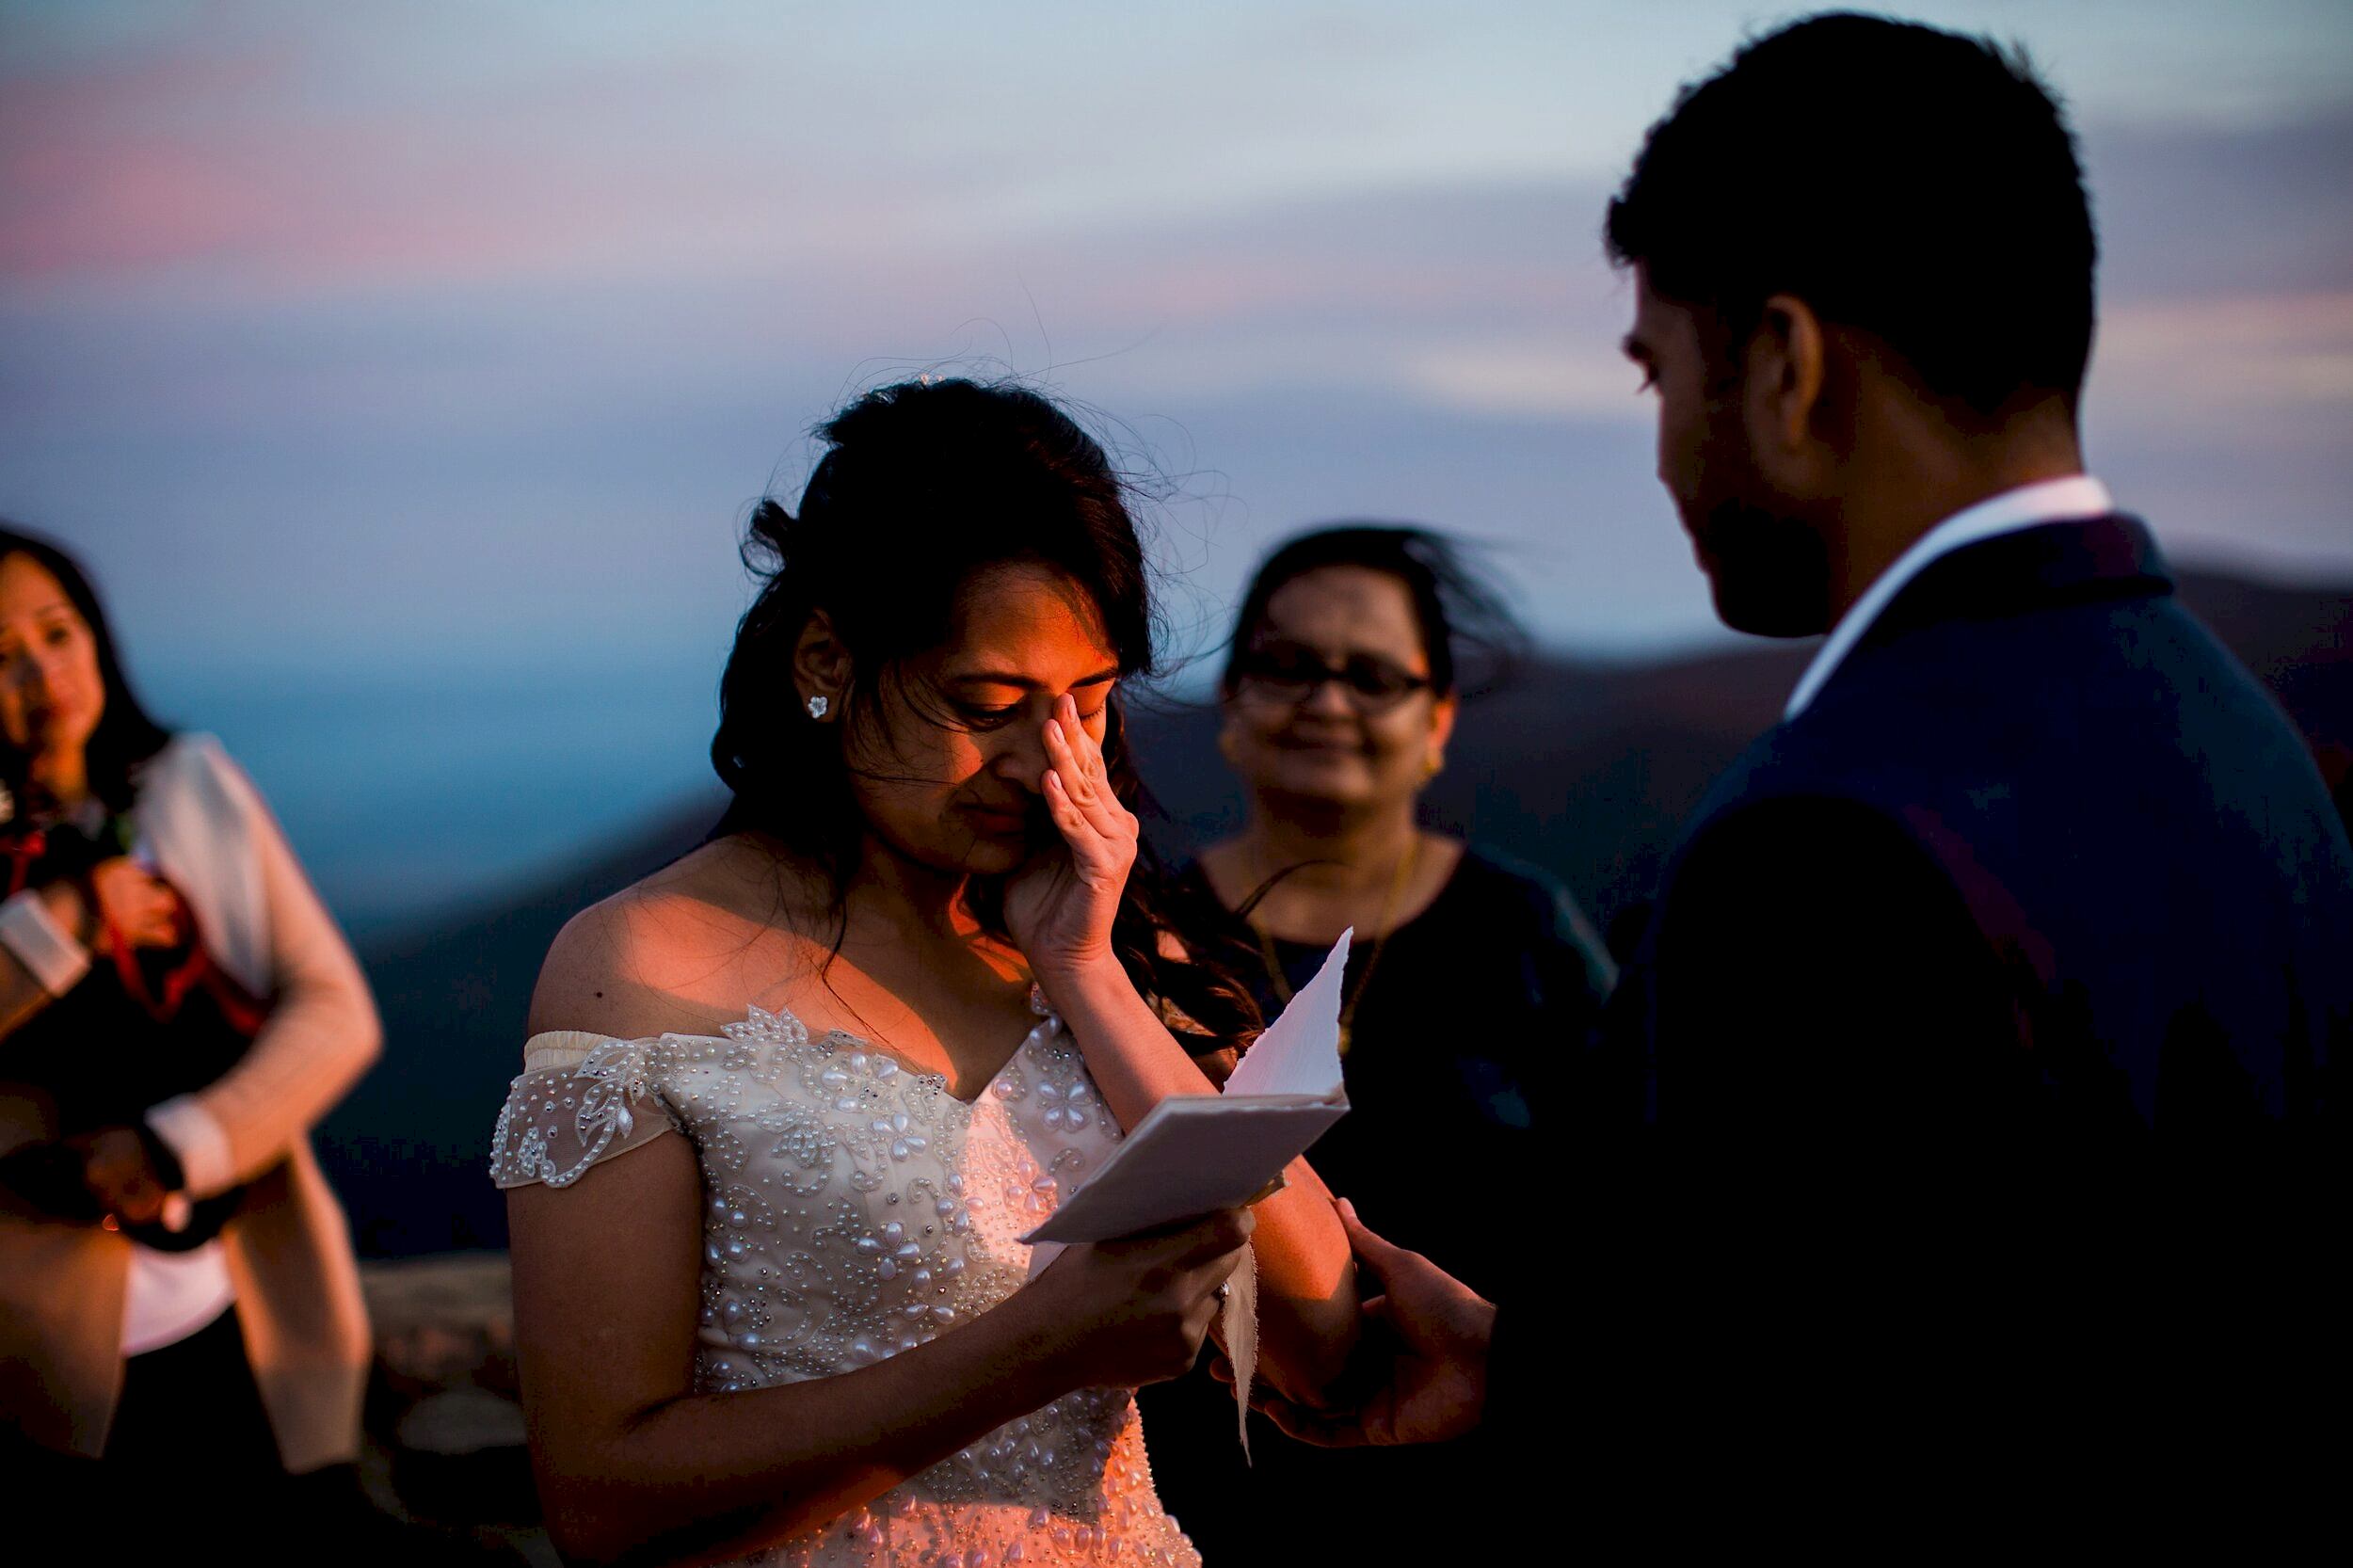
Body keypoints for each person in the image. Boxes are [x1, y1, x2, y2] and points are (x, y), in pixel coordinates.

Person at [1242, 11, 2352, 1541]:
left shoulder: (1828, 838)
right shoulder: (2245, 743)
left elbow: (1793, 1462)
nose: (1666, 454)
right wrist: (1535, 1372)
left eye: (1659, 376)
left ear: (1782, 364)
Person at [493, 378, 1364, 1568]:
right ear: (827, 662)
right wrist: (1036, 1351)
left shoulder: (1099, 935)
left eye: (1091, 703)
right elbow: (600, 1500)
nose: (1047, 763)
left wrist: (1089, 976)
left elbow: (1322, 1342)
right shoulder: (638, 965)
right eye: (988, 704)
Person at [1136, 524, 1611, 1560]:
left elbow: (1632, 1211)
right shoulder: (1147, 939)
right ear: (1231, 705)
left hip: (1485, 1473)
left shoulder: (1525, 931)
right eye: (1286, 665)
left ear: (1436, 720)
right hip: (1203, 1489)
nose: (1326, 701)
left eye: (1372, 676)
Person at [0, 527, 382, 1546]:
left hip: (227, 1303)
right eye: (1, 654)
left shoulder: (187, 785)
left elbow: (336, 1009)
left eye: (57, 631)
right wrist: (75, 916)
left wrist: (178, 1144)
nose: (41, 673)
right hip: (30, 1351)